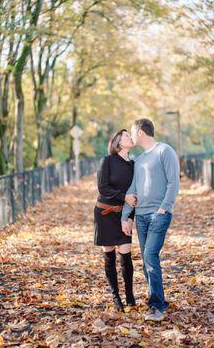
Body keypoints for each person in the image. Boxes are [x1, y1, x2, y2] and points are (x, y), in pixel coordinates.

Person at [121, 118, 179, 321]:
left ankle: (157, 307)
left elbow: (173, 182)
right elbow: (133, 190)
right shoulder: (139, 159)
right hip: (141, 217)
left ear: (141, 132)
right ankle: (158, 299)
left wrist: (165, 208)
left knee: (150, 256)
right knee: (147, 262)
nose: (131, 135)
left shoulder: (165, 151)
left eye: (132, 132)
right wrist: (125, 216)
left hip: (159, 215)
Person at [94, 129, 136, 312]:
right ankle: (115, 297)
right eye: (126, 135)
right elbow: (103, 188)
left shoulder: (134, 165)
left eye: (130, 135)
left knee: (126, 255)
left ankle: (130, 296)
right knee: (109, 255)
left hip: (123, 214)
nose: (130, 137)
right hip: (105, 214)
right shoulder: (107, 161)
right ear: (118, 141)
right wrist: (123, 197)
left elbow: (134, 195)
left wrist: (130, 218)